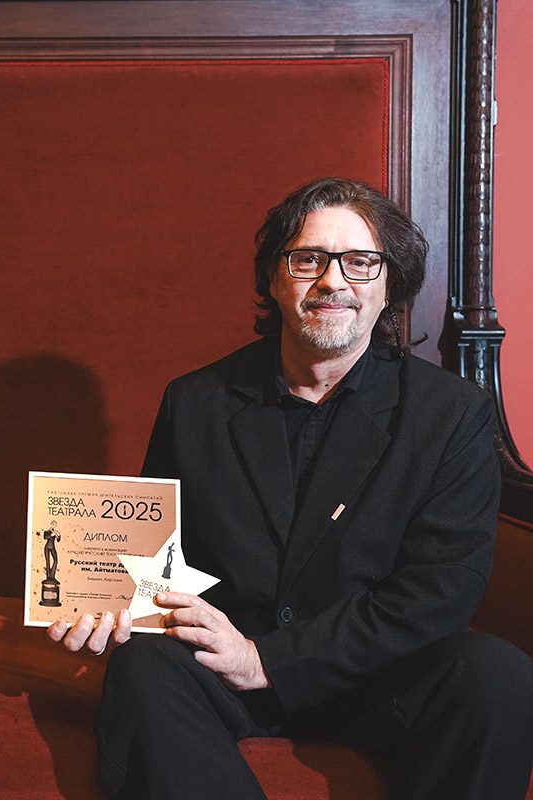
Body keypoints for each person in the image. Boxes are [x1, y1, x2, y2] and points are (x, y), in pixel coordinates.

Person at [47, 178, 533, 799]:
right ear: (274, 280)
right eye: (308, 260)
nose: (333, 282)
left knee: (496, 673)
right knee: (143, 667)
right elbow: (157, 560)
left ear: (389, 286)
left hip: (378, 674)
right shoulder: (194, 402)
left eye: (360, 262)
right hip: (221, 665)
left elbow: (440, 592)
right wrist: (109, 603)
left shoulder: (452, 414)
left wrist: (269, 661)